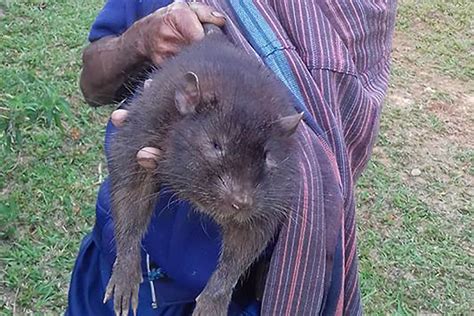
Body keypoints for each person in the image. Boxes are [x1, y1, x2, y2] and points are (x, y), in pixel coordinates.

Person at [66, 1, 397, 315]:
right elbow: (92, 82)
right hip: (120, 261)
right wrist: (139, 41)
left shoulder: (355, 11)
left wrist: (221, 287)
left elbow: (345, 137)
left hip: (249, 292)